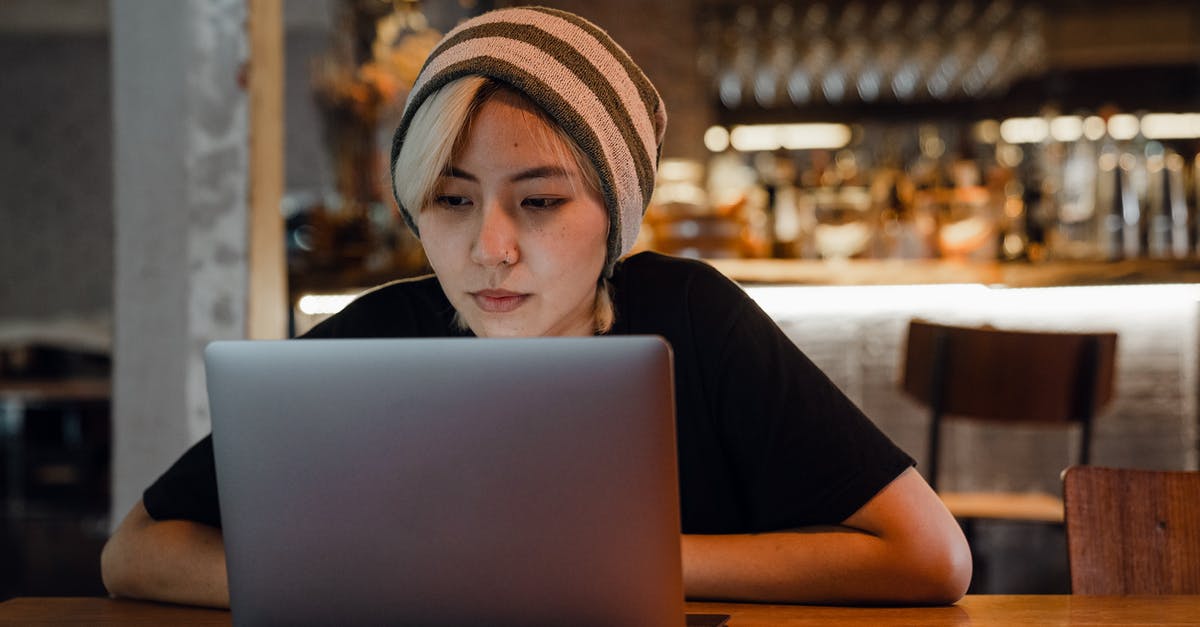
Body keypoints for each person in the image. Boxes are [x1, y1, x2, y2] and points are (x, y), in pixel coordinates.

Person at [101, 6, 971, 608]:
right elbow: (134, 551)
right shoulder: (368, 338)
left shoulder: (696, 321)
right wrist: (385, 580)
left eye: (542, 202)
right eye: (450, 200)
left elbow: (931, 556)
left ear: (616, 216)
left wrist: (592, 566)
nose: (490, 247)